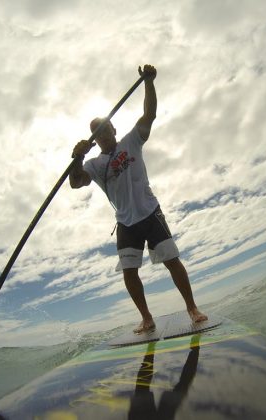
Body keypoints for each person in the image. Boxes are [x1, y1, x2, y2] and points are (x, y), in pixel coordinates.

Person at [69, 64, 208, 333]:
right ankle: (147, 318)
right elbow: (76, 182)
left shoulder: (131, 141)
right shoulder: (96, 165)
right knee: (129, 272)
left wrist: (149, 82)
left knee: (171, 260)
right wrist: (77, 159)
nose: (102, 134)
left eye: (105, 128)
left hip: (150, 212)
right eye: (97, 134)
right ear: (95, 141)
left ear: (114, 129)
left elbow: (150, 114)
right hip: (125, 223)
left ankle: (192, 308)